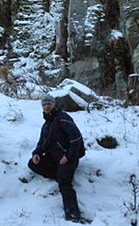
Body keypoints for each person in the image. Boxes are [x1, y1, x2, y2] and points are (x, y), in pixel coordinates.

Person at [28, 94, 86, 223]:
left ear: (54, 105)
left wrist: (68, 156)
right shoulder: (46, 125)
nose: (47, 106)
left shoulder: (63, 118)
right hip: (55, 158)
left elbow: (76, 138)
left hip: (69, 157)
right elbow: (42, 143)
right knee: (32, 164)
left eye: (49, 103)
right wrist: (36, 153)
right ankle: (59, 174)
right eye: (44, 104)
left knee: (64, 183)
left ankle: (73, 215)